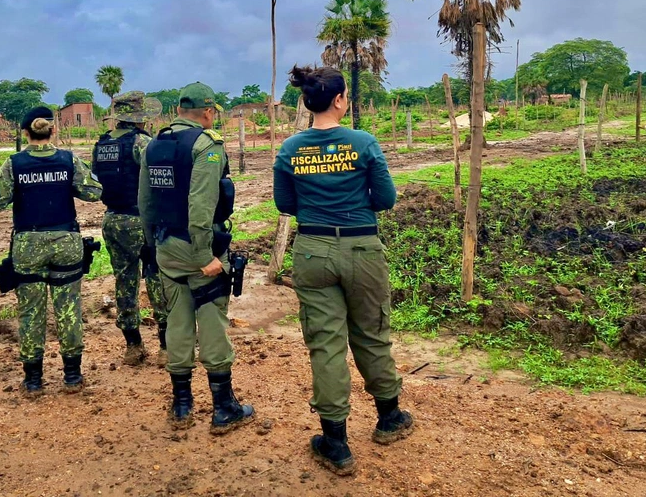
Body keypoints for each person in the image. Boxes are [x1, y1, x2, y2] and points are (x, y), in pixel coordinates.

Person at [272, 65, 412, 476]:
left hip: (313, 251)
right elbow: (385, 199)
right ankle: (389, 418)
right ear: (339, 100)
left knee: (326, 344)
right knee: (371, 333)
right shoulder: (364, 142)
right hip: (362, 247)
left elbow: (285, 204)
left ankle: (335, 442)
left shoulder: (290, 149)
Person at [138, 82, 255, 435]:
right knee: (212, 320)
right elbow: (201, 206)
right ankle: (223, 408)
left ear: (177, 111)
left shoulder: (154, 145)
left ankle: (181, 405)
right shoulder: (207, 145)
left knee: (177, 320)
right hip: (198, 248)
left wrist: (152, 246)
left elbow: (145, 204)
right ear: (207, 112)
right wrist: (205, 256)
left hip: (166, 247)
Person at [0, 106, 102, 396]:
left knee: (30, 311)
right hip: (65, 241)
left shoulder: (14, 163)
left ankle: (34, 380)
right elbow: (93, 192)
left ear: (25, 132)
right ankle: (73, 376)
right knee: (68, 308)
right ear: (53, 130)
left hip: (28, 245)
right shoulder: (68, 160)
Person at [92, 91, 169, 367]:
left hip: (112, 220)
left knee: (125, 281)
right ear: (141, 118)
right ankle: (165, 346)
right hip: (141, 221)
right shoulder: (142, 143)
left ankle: (133, 346)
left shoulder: (102, 144)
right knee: (156, 278)